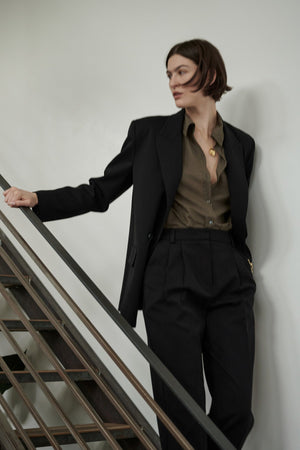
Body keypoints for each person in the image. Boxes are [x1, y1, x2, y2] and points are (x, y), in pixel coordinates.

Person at [3, 39, 256, 449]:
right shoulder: (150, 134)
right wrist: (39, 199)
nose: (172, 83)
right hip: (170, 270)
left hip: (229, 271)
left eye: (181, 72)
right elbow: (100, 191)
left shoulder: (242, 145)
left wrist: (242, 263)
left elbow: (239, 216)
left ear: (208, 74)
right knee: (181, 407)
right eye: (168, 75)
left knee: (237, 408)